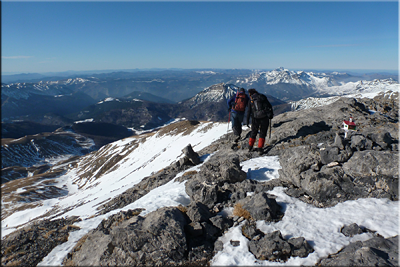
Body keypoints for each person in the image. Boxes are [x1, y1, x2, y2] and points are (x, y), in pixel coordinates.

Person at [246, 88, 273, 154]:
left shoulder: (251, 100)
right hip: (264, 117)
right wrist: (270, 114)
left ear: (250, 94)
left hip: (255, 118)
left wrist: (247, 120)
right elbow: (269, 106)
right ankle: (260, 149)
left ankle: (250, 147)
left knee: (253, 132)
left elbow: (249, 111)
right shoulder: (262, 97)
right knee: (262, 133)